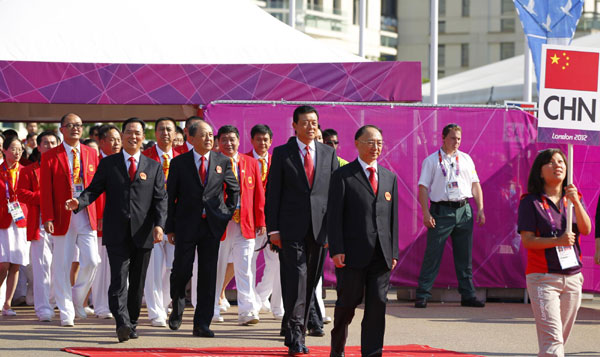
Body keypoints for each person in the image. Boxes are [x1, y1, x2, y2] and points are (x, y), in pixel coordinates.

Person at [65, 117, 168, 342]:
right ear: (122, 136)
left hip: (143, 233)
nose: (133, 136)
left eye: (137, 133)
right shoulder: (109, 164)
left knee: (137, 283)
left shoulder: (154, 166)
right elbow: (93, 190)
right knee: (119, 280)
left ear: (143, 137)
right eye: (129, 132)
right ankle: (121, 322)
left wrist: (160, 225)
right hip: (117, 232)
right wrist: (79, 202)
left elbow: (160, 200)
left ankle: (132, 322)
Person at [266, 105, 339, 355]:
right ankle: (297, 336)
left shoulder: (328, 154)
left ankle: (294, 325)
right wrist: (273, 230)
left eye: (314, 122)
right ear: (295, 125)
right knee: (296, 279)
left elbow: (335, 196)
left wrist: (333, 231)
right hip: (290, 229)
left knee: (309, 283)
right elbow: (273, 193)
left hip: (320, 230)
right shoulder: (282, 153)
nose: (311, 126)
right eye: (305, 122)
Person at [327, 125, 398, 357]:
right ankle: (337, 348)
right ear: (357, 143)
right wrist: (336, 248)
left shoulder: (389, 177)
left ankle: (372, 352)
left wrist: (393, 251)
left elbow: (392, 219)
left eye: (379, 142)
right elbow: (334, 216)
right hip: (352, 254)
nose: (375, 147)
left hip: (381, 255)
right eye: (370, 142)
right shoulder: (343, 176)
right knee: (347, 305)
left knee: (378, 304)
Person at [166, 120, 239, 338]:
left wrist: (224, 215)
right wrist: (170, 227)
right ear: (191, 138)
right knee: (181, 270)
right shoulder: (179, 163)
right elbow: (171, 198)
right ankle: (177, 308)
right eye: (204, 135)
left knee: (208, 275)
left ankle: (202, 323)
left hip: (211, 227)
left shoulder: (222, 161)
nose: (209, 139)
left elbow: (233, 190)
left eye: (210, 135)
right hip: (185, 226)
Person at [519, 148, 591, 357]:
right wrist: (557, 241)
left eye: (561, 161)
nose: (558, 165)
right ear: (540, 172)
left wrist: (576, 202)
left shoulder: (573, 198)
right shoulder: (530, 202)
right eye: (551, 162)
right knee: (553, 342)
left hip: (573, 278)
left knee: (557, 341)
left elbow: (586, 229)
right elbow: (528, 241)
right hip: (543, 278)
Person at [415, 123, 485, 308]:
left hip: (464, 209)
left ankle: (468, 294)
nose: (456, 142)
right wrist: (425, 212)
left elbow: (475, 184)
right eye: (453, 138)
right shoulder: (431, 161)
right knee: (433, 254)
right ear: (444, 138)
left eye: (459, 139)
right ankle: (422, 294)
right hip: (441, 210)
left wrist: (480, 208)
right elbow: (422, 187)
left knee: (465, 256)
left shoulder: (466, 158)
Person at [40, 113, 100, 327]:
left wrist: (100, 215)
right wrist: (47, 216)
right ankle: (66, 312)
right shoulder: (50, 156)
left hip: (86, 213)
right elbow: (45, 190)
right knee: (62, 264)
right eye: (71, 125)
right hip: (61, 214)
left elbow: (97, 187)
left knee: (93, 260)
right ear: (61, 129)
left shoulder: (91, 153)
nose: (75, 128)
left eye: (79, 125)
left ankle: (76, 299)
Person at [210, 125, 265, 325]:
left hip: (245, 223)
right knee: (218, 267)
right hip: (220, 225)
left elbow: (258, 194)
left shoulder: (249, 162)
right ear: (218, 142)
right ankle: (213, 308)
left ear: (239, 141)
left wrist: (261, 220)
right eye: (224, 139)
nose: (228, 143)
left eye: (232, 139)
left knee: (245, 267)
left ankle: (248, 311)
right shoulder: (212, 161)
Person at [17, 131, 60, 321]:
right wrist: (44, 199)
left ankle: (52, 301)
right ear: (39, 147)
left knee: (58, 266)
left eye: (53, 143)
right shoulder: (29, 170)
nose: (49, 146)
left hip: (62, 223)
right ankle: (43, 308)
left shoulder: (65, 169)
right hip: (40, 222)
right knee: (41, 266)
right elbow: (22, 194)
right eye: (46, 143)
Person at [141, 117, 178, 327]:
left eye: (169, 130)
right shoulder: (145, 158)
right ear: (155, 134)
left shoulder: (183, 158)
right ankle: (155, 312)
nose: (165, 133)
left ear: (175, 134)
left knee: (171, 269)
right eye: (161, 129)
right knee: (154, 269)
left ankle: (164, 305)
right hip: (151, 221)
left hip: (174, 221)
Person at [247, 124, 284, 320]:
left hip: (273, 220)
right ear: (252, 140)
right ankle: (252, 304)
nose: (262, 143)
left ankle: (267, 300)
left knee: (276, 262)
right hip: (249, 220)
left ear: (271, 141)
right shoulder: (243, 160)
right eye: (259, 139)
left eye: (266, 139)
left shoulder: (277, 161)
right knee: (248, 264)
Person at [92, 124, 123, 320]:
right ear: (101, 141)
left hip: (122, 222)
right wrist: (99, 216)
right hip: (100, 222)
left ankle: (117, 304)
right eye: (112, 139)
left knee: (117, 267)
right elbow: (93, 192)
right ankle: (101, 305)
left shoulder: (124, 162)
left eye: (118, 139)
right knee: (100, 264)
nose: (117, 143)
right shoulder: (94, 161)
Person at [0, 136, 30, 316]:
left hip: (20, 220)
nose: (17, 152)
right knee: (3, 264)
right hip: (2, 220)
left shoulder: (26, 171)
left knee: (16, 264)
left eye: (20, 149)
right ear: (4, 150)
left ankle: (7, 304)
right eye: (13, 149)